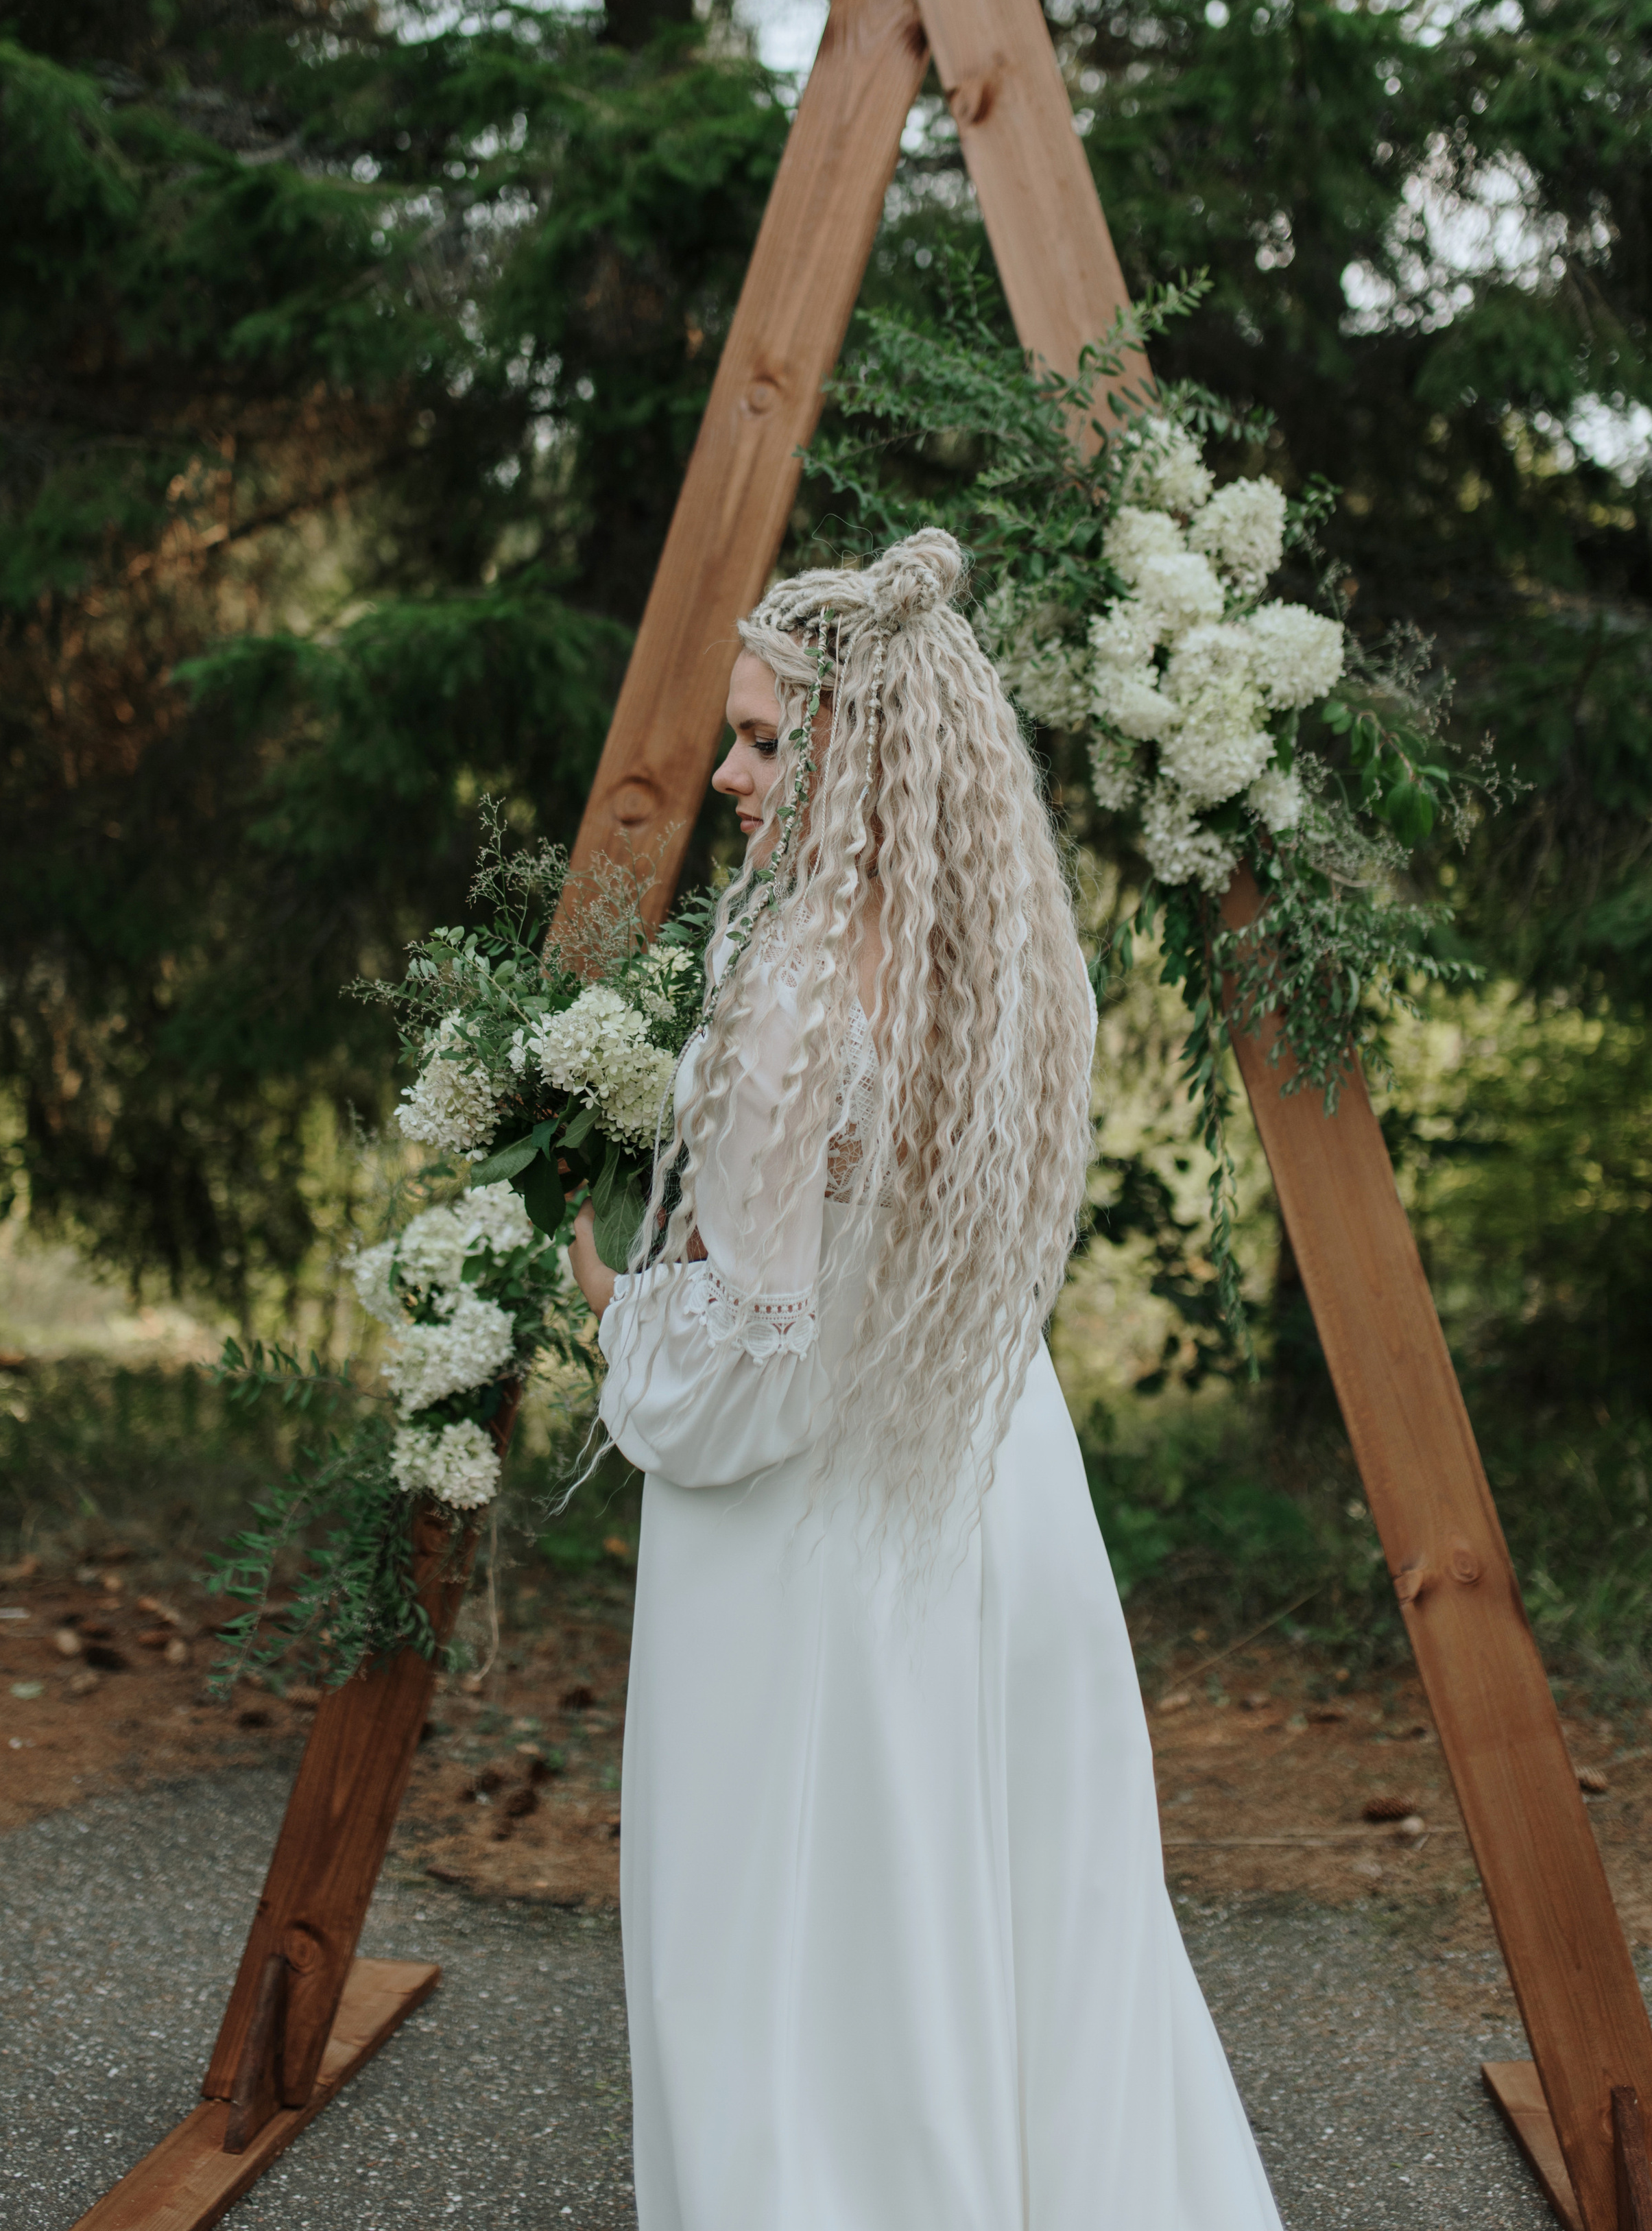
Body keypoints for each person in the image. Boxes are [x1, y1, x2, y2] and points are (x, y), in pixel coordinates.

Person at [567, 528, 1282, 2231]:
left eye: (762, 740)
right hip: (996, 1487)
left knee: (798, 1959)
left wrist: (608, 1306)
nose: (728, 776)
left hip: (814, 1546)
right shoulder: (1021, 969)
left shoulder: (791, 988)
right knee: (1022, 1929)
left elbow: (750, 1368)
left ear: (859, 754)